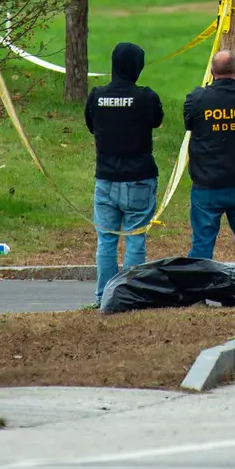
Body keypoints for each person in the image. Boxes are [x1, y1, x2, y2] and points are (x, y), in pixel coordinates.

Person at [84, 42, 163, 302]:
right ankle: (129, 296)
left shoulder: (96, 95)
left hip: (106, 178)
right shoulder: (146, 97)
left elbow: (91, 124)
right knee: (135, 238)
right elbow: (157, 120)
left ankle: (103, 297)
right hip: (139, 178)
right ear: (136, 68)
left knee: (106, 240)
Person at [184, 48, 235, 277]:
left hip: (207, 185)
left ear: (211, 72)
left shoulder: (197, 100)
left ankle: (197, 291)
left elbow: (189, 124)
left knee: (202, 242)